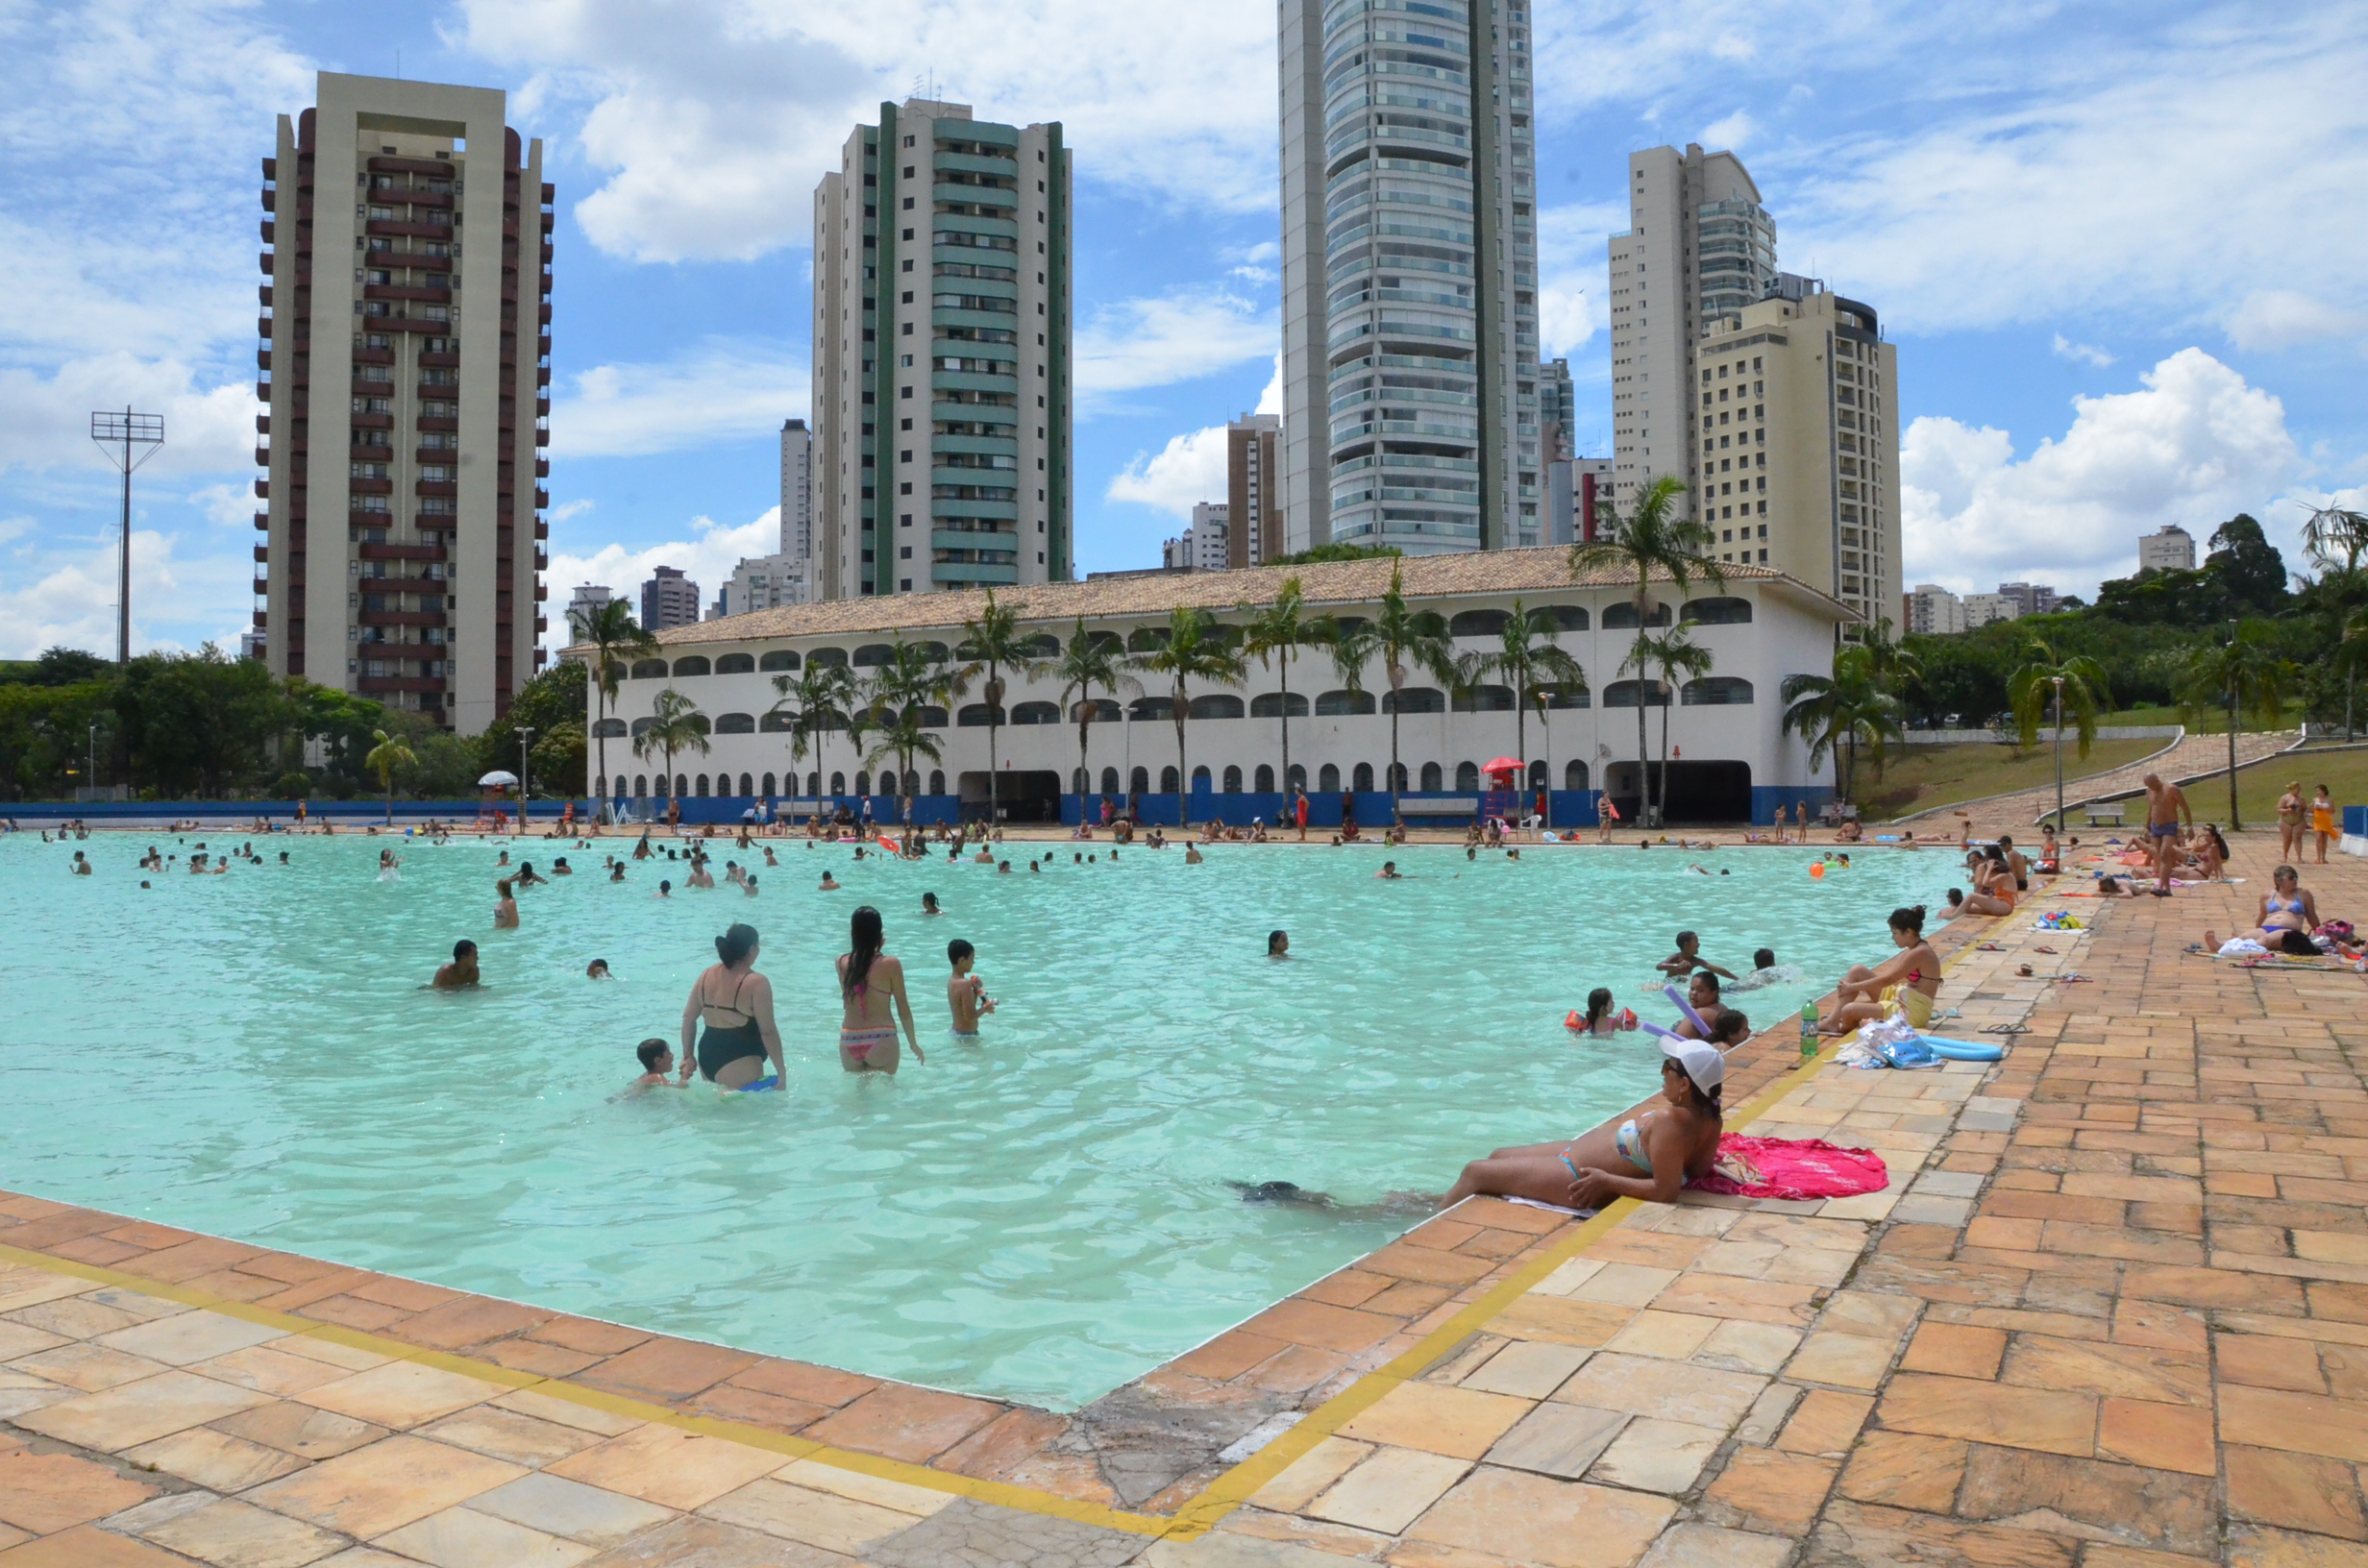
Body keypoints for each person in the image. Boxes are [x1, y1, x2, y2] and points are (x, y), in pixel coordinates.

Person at [1438, 1037, 1726, 1209]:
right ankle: (1441, 1200)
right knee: (1497, 1156)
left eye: (1667, 1067)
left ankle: (1430, 1218)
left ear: (1685, 1083)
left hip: (1576, 1177)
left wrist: (1607, 1180)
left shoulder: (1671, 1120)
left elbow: (1667, 1191)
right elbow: (1698, 1170)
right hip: (1574, 1158)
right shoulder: (1710, 1118)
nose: (1662, 1073)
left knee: (1476, 1172)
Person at [679, 922, 786, 1090]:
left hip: (706, 1053)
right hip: (738, 1057)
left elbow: (688, 1017)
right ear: (752, 949)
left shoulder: (707, 974)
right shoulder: (756, 982)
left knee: (719, 1112)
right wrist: (781, 1072)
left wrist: (688, 1056)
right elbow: (768, 1031)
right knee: (744, 1113)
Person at [1822, 906, 1942, 1035]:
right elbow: (1886, 977)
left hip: (1912, 1011)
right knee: (1857, 971)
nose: (1892, 938)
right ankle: (1833, 1021)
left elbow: (1888, 980)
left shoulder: (1920, 952)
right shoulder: (1912, 949)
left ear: (1908, 932)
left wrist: (1851, 987)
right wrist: (1852, 986)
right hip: (1903, 998)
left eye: (1895, 933)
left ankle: (1843, 1028)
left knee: (1849, 1010)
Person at [837, 905, 923, 1073]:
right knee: (887, 1093)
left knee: (859, 1095)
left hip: (849, 1039)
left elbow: (850, 1001)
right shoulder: (890, 964)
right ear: (880, 935)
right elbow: (903, 1009)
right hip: (881, 1038)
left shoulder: (841, 962)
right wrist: (913, 1044)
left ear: (853, 934)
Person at [2206, 865, 2324, 954]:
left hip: (2289, 931)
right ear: (2278, 880)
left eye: (2296, 877)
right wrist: (2256, 930)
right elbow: (2262, 916)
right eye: (2291, 877)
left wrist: (2320, 933)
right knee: (2244, 937)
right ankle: (2220, 945)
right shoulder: (2267, 895)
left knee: (2265, 941)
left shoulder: (2303, 894)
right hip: (2266, 927)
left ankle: (2238, 948)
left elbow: (2312, 916)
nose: (2295, 880)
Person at [2142, 772, 2193, 894]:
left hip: (2169, 825)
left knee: (2165, 854)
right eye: (2148, 786)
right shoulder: (2149, 791)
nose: (2151, 788)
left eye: (2151, 785)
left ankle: (2161, 887)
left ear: (2156, 780)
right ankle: (2166, 888)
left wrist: (2190, 827)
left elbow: (2185, 808)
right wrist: (2147, 826)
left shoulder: (2171, 789)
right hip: (2155, 826)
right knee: (2159, 856)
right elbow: (2151, 808)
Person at [947, 939, 996, 1037]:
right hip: (965, 1036)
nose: (973, 962)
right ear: (962, 960)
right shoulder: (964, 984)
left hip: (958, 1032)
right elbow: (970, 1017)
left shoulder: (952, 981)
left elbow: (965, 1009)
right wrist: (985, 1008)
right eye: (972, 958)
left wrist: (974, 991)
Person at [1656, 931, 1736, 980]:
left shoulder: (1695, 961)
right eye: (1696, 941)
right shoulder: (1676, 958)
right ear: (1687, 944)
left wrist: (1736, 979)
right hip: (1670, 987)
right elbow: (1659, 966)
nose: (1698, 944)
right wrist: (1677, 966)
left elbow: (1716, 969)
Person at [1961, 849, 2017, 917]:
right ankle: (1955, 916)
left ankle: (1953, 916)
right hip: (2000, 904)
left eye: (1975, 861)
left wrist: (1989, 869)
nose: (1973, 864)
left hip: (2004, 906)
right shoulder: (2004, 874)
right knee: (1966, 907)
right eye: (1971, 862)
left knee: (1971, 897)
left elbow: (1985, 883)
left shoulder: (2004, 875)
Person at [1570, 988, 1637, 1037]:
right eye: (1611, 1001)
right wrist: (1636, 1025)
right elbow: (1627, 1030)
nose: (1614, 1003)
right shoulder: (1613, 1022)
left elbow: (1577, 1035)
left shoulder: (1586, 1023)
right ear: (1603, 1007)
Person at [2278, 781, 2306, 861]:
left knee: (2297, 838)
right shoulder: (2285, 798)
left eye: (2299, 789)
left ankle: (2299, 857)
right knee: (2287, 839)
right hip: (2286, 820)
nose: (2298, 790)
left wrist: (2301, 809)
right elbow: (2279, 809)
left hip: (2298, 820)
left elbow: (2305, 809)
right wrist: (2288, 810)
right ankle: (2285, 856)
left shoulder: (2301, 799)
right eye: (2296, 789)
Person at [2313, 784, 2338, 865]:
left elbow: (2333, 810)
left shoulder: (2329, 800)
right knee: (2318, 838)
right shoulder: (2315, 800)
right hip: (2318, 821)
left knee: (2324, 839)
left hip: (2326, 820)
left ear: (2324, 791)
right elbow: (2310, 809)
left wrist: (2323, 808)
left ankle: (2323, 857)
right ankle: (2318, 857)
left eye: (2319, 790)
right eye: (2317, 791)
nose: (2318, 792)